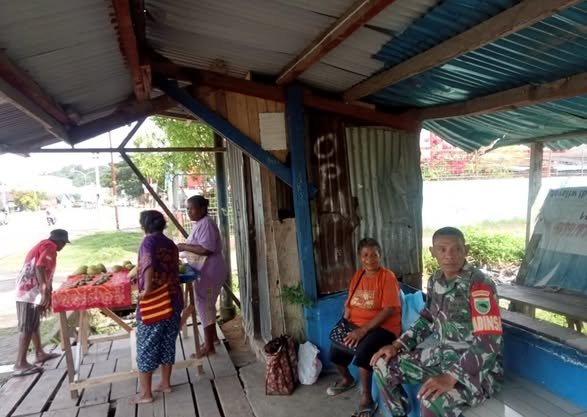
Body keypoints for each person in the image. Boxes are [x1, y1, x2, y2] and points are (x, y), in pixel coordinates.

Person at [371, 227, 503, 417]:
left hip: (477, 369)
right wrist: (397, 345)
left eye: (456, 249)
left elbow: (488, 340)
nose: (449, 255)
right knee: (382, 365)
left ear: (466, 250)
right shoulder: (435, 280)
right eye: (442, 249)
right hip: (444, 356)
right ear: (432, 252)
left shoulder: (479, 284)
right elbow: (427, 319)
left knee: (430, 400)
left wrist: (452, 376)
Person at [326, 238, 402, 417]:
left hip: (383, 327)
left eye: (374, 255)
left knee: (364, 351)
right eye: (366, 255)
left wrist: (363, 330)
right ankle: (347, 379)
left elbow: (389, 310)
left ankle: (367, 398)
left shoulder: (387, 277)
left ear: (380, 256)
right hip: (356, 325)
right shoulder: (358, 275)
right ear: (360, 257)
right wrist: (345, 319)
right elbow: (349, 301)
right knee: (335, 351)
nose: (370, 259)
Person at [132, 210, 183, 404]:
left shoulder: (148, 242)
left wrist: (146, 290)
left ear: (144, 225)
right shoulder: (170, 243)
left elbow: (148, 264)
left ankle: (145, 394)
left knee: (146, 346)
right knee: (167, 342)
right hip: (174, 299)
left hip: (155, 301)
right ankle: (165, 384)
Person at [14, 229, 70, 376]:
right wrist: (44, 289)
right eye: (64, 243)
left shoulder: (43, 245)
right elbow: (40, 267)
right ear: (60, 241)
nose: (63, 246)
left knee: (33, 324)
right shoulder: (50, 246)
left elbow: (44, 270)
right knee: (27, 326)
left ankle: (39, 353)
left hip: (30, 290)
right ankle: (20, 363)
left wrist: (47, 291)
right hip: (28, 292)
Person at [177, 195, 227, 357]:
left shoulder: (206, 224)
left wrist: (184, 246)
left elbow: (206, 249)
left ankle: (209, 346)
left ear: (202, 208)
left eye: (192, 209)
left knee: (205, 306)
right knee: (208, 305)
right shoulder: (200, 223)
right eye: (187, 209)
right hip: (205, 270)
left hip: (210, 271)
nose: (189, 212)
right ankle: (213, 339)